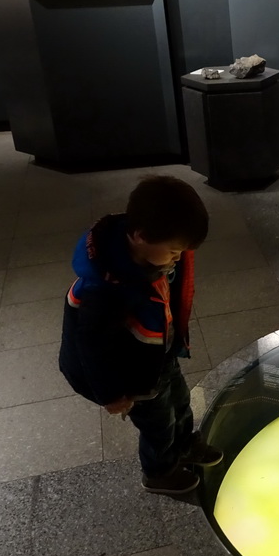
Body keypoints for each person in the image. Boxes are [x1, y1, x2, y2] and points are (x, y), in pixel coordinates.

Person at [58, 175, 222, 494]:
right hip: (130, 374)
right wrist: (111, 395)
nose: (178, 258)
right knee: (158, 425)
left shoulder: (149, 256)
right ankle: (159, 472)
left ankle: (185, 444)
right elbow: (91, 347)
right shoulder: (104, 290)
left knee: (180, 401)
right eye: (174, 251)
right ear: (140, 236)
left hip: (157, 356)